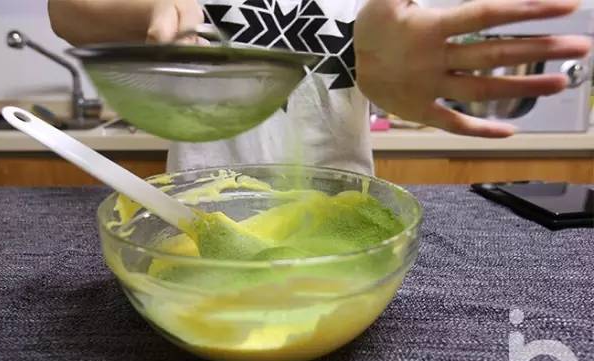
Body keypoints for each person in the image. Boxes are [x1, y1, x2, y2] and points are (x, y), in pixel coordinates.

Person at [49, 0, 591, 175]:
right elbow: (67, 12)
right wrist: (157, 7)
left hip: (342, 223)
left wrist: (401, 67)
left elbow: (399, 36)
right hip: (200, 216)